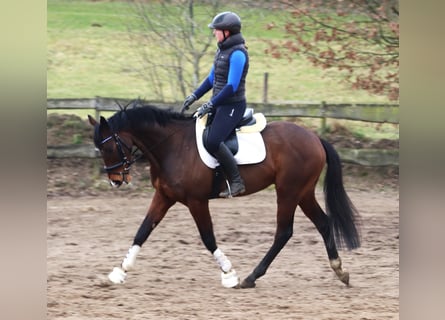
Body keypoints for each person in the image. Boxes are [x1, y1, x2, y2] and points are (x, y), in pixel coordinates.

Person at [181, 11, 249, 198]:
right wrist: (194, 96)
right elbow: (212, 78)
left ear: (227, 32)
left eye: (216, 30)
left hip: (233, 105)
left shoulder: (238, 53)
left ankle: (237, 181)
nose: (214, 33)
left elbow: (232, 86)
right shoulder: (222, 50)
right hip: (219, 103)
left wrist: (210, 104)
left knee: (212, 141)